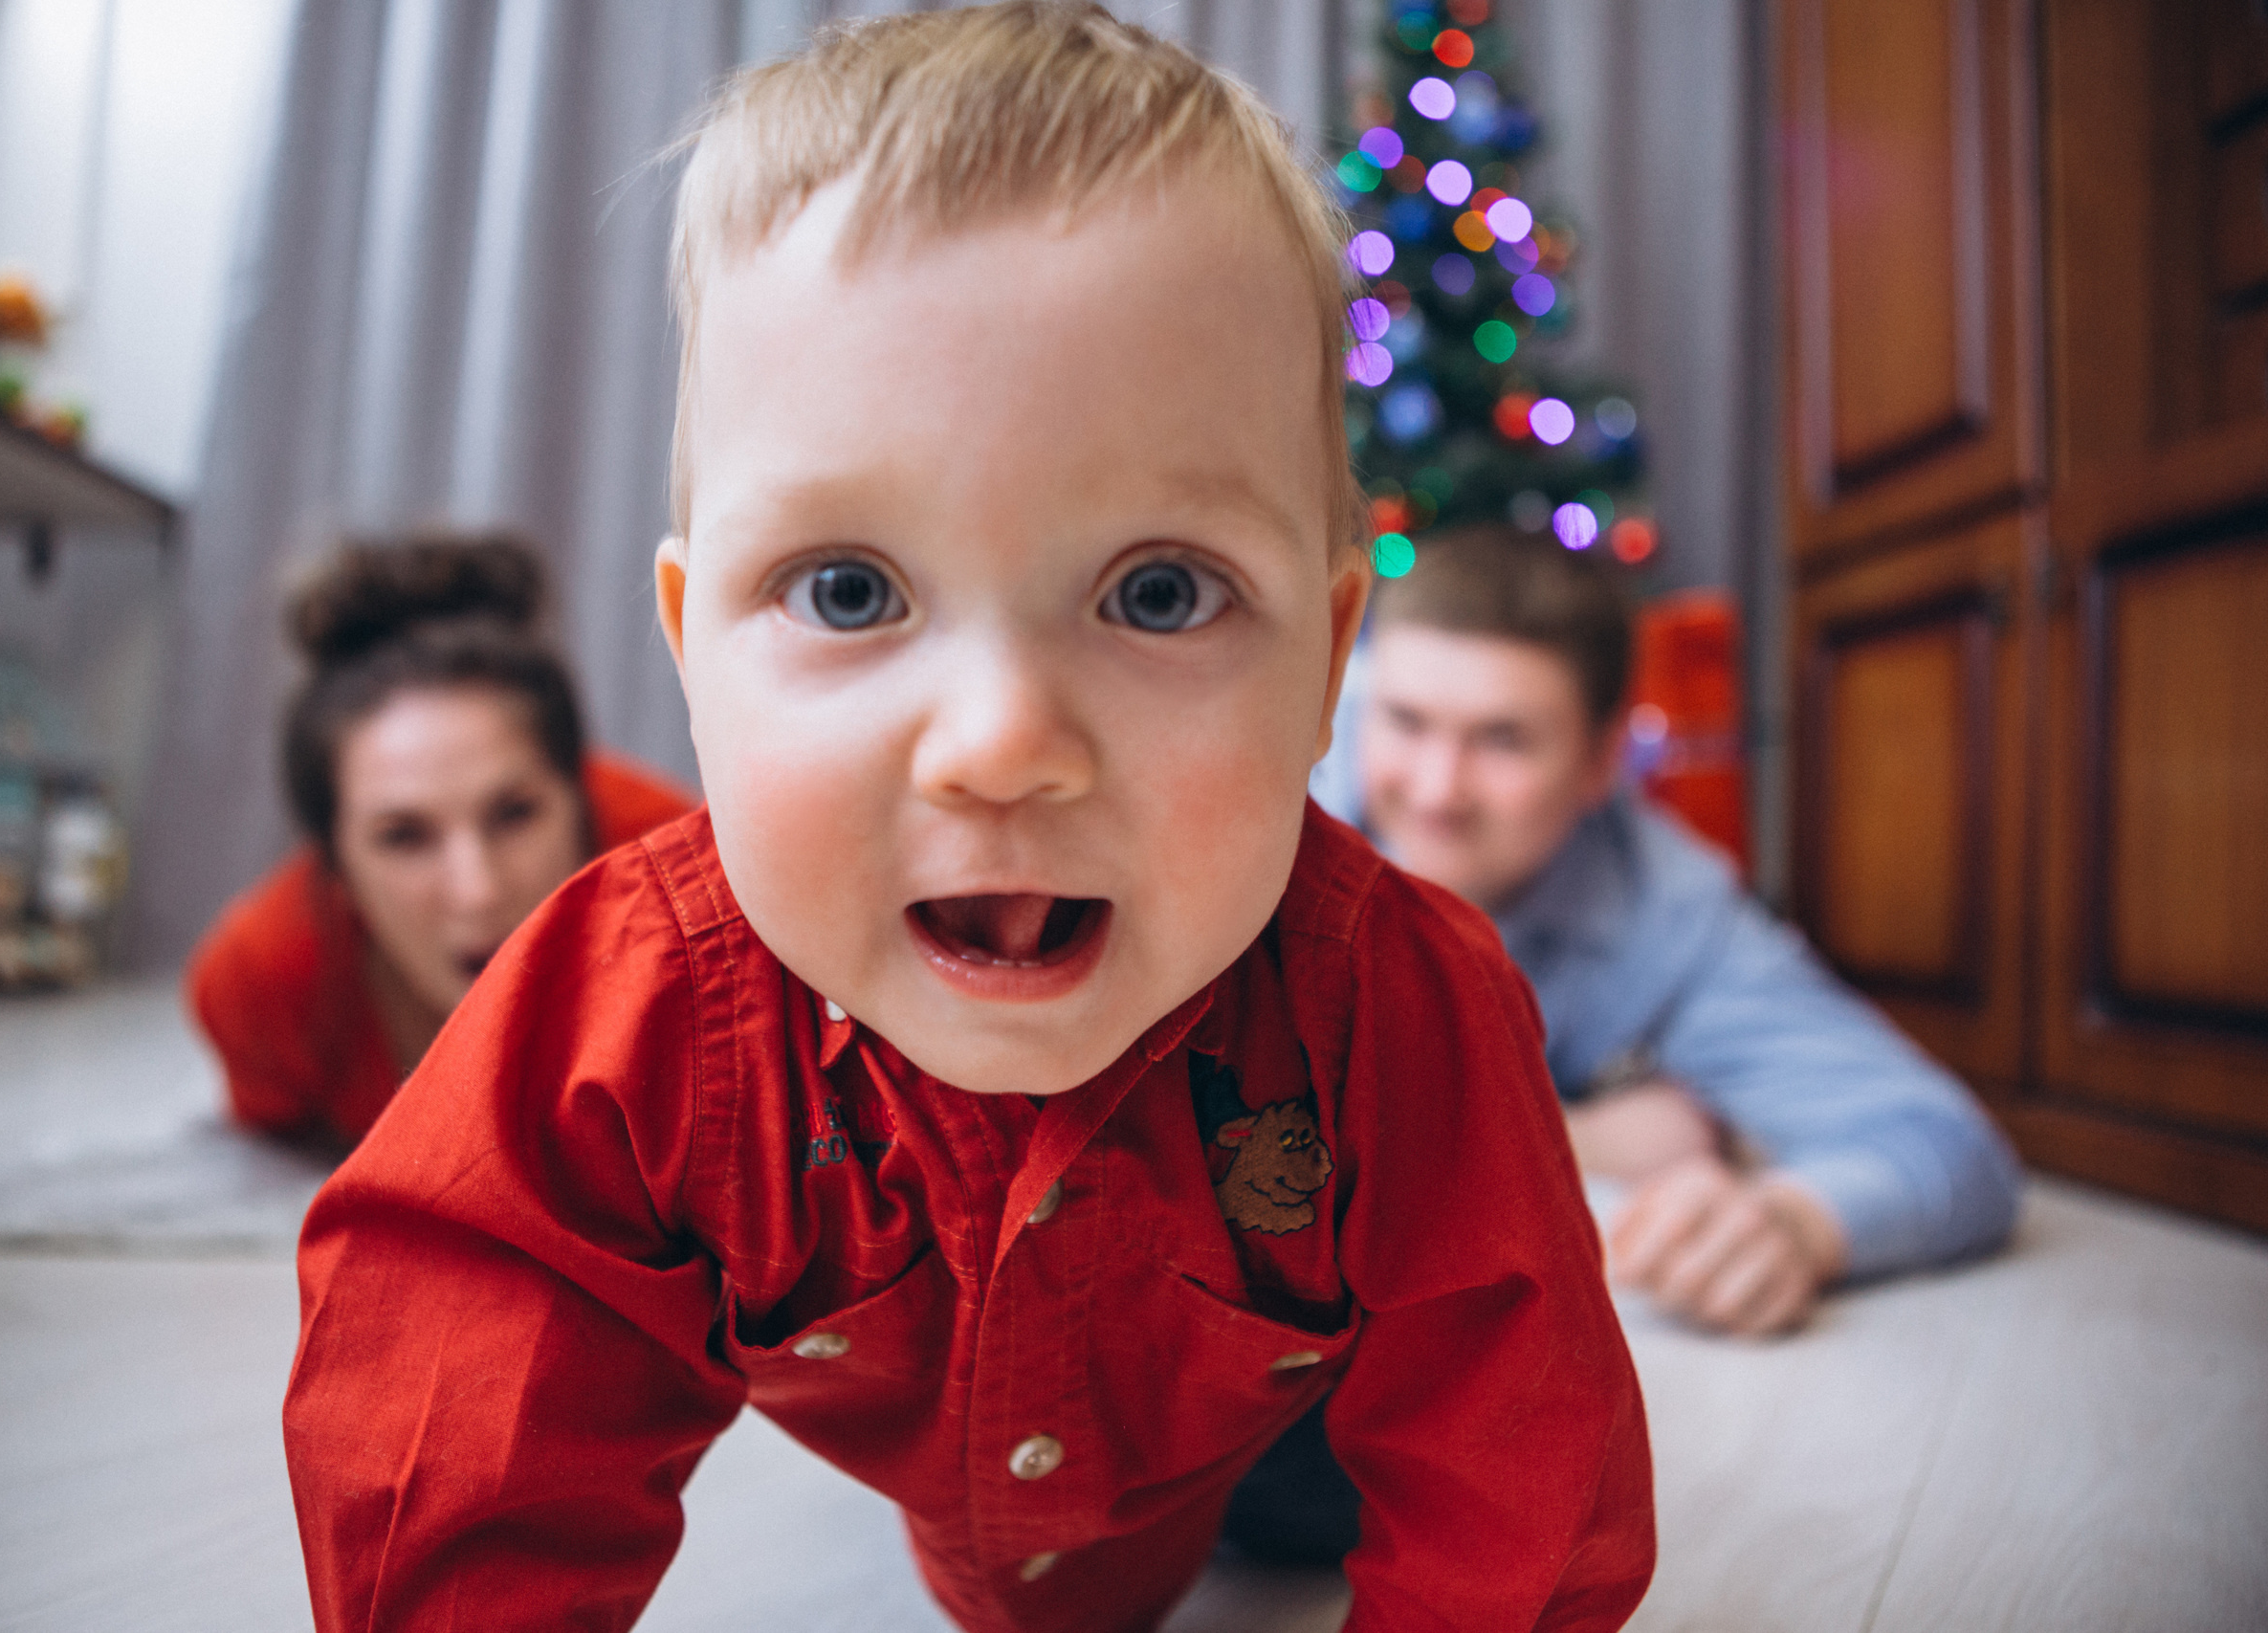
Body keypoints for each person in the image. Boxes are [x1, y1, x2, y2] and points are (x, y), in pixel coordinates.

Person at [280, 9, 1656, 1631]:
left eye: (1159, 592)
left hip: (1271, 1420)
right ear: (691, 652)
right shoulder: (625, 1013)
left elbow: (1520, 1476)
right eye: (848, 589)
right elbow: (455, 1401)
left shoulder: (1406, 1008)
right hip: (951, 1464)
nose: (1001, 746)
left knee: (1298, 1522)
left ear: (1328, 662)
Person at [1323, 526, 2023, 1335]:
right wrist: (1571, 1137)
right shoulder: (1276, 778)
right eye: (1406, 722)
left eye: (1504, 739)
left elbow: (1954, 1149)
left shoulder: (1671, 912)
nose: (1439, 789)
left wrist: (1791, 1223)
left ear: (1601, 765)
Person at [185, 534, 694, 1145]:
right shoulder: (264, 986)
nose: (477, 890)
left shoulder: (695, 892)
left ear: (582, 803)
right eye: (404, 837)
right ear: (336, 868)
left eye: (513, 815)